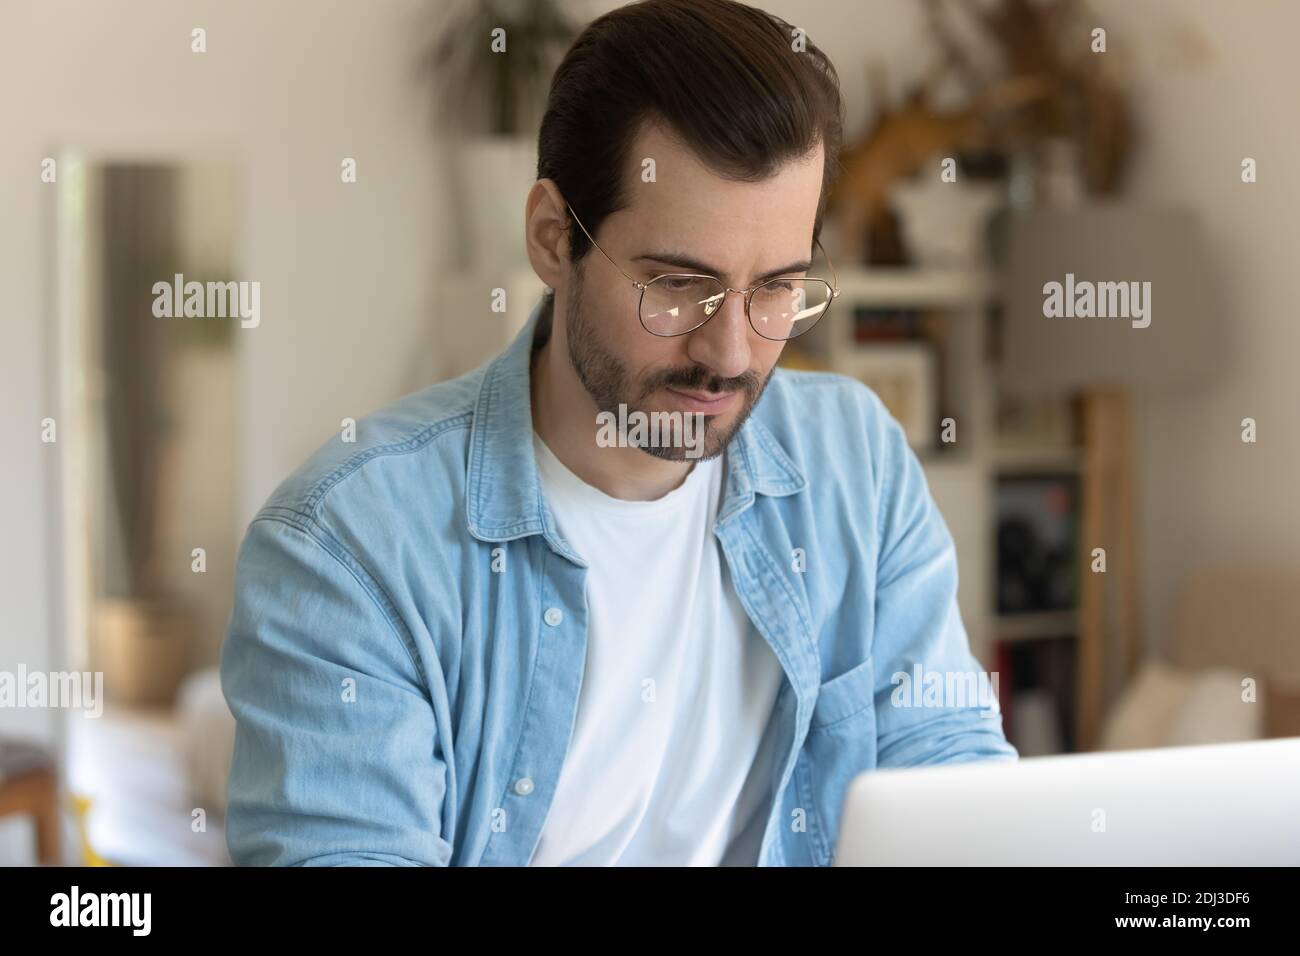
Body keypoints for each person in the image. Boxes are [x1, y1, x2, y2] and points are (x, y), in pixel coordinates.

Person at [221, 0, 1016, 868]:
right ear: (553, 238)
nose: (731, 351)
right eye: (678, 285)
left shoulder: (853, 461)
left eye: (777, 288)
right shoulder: (349, 547)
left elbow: (947, 779)